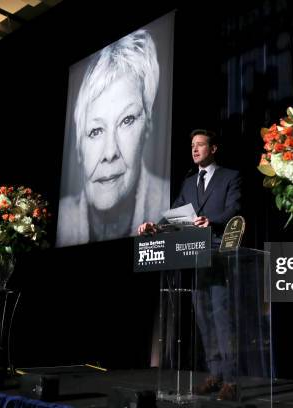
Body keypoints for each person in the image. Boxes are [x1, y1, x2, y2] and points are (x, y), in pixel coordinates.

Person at [138, 129, 242, 400]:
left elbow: (234, 209)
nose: (195, 149)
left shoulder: (231, 176)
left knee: (221, 317)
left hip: (219, 253)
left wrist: (212, 220)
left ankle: (231, 379)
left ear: (213, 148)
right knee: (204, 319)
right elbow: (175, 215)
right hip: (194, 257)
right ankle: (215, 374)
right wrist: (154, 227)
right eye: (192, 145)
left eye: (200, 145)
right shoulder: (188, 183)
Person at [57, 29, 167, 247]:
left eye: (126, 120)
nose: (109, 153)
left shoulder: (168, 205)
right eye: (95, 131)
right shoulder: (60, 221)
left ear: (147, 127)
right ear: (79, 148)